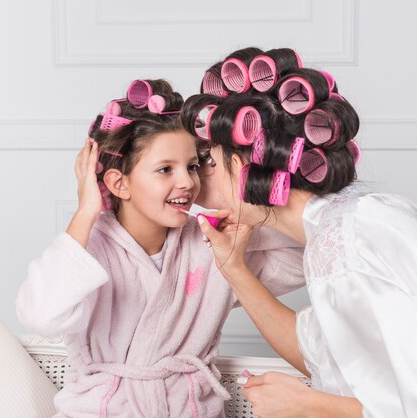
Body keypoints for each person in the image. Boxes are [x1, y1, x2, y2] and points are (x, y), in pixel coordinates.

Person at [181, 47, 417, 417]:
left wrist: (307, 405)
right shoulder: (353, 218)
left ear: (244, 162)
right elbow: (323, 353)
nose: (193, 181)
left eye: (207, 162)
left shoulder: (348, 249)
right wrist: (235, 269)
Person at [15, 78, 305, 418]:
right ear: (118, 183)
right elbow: (41, 315)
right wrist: (86, 211)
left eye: (193, 166)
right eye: (165, 169)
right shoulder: (88, 251)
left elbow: (303, 258)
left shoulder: (212, 244)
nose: (186, 182)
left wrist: (239, 202)